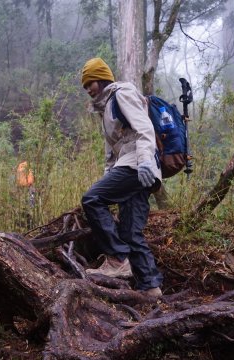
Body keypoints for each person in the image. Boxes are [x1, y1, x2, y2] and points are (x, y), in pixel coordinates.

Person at [80, 57, 163, 298]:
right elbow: (112, 151)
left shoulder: (122, 94)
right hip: (131, 166)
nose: (88, 90)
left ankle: (117, 259)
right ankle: (151, 288)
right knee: (130, 232)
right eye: (85, 86)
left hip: (137, 164)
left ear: (103, 78)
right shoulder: (105, 108)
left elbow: (144, 128)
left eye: (91, 83)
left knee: (92, 199)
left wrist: (146, 160)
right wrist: (109, 174)